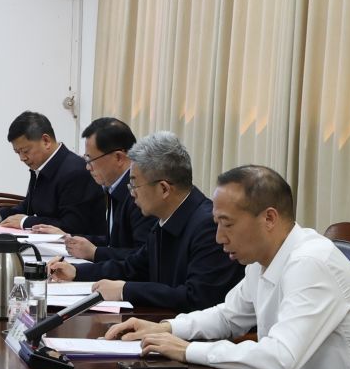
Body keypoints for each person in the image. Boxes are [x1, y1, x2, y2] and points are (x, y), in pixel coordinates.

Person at [108, 165, 350, 369]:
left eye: (227, 224)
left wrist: (186, 350)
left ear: (269, 218)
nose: (219, 237)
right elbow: (227, 316)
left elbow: (281, 357)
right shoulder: (264, 259)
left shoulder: (310, 263)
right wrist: (166, 329)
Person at [50, 131, 239, 312]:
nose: (132, 193)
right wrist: (77, 272)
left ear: (164, 189)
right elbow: (133, 267)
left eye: (134, 184)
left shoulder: (208, 227)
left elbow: (197, 298)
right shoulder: (165, 220)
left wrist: (125, 290)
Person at [33, 117, 148, 261]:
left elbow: (144, 258)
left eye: (90, 160)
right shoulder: (114, 187)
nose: (87, 167)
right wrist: (68, 238)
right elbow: (113, 242)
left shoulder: (140, 192)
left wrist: (96, 253)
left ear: (118, 157)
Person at [0, 111, 104, 234]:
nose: (22, 158)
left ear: (46, 141)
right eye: (18, 152)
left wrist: (26, 222)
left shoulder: (75, 171)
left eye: (25, 151)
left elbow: (72, 226)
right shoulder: (42, 167)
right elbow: (27, 207)